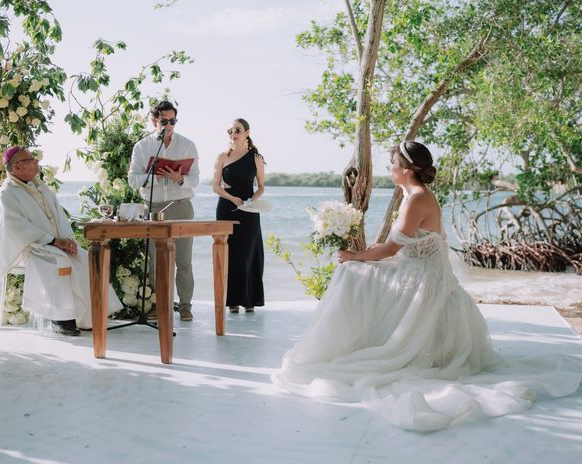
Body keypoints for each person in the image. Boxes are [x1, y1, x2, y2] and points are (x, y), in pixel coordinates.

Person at [272, 141, 582, 432]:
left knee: (350, 273)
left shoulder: (417, 198)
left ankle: (348, 343)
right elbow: (397, 246)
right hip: (417, 267)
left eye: (393, 163)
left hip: (422, 277)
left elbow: (389, 250)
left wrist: (354, 255)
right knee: (354, 271)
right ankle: (352, 340)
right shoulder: (413, 196)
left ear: (406, 170)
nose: (389, 168)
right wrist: (361, 256)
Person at [0, 147, 123, 336]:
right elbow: (15, 228)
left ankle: (89, 317)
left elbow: (59, 216)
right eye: (31, 159)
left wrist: (68, 240)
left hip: (51, 243)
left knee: (86, 259)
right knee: (60, 263)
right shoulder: (6, 194)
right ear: (17, 167)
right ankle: (61, 319)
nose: (36, 162)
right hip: (27, 247)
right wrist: (53, 241)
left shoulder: (38, 186)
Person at [127, 100, 199, 321]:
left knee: (184, 262)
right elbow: (132, 180)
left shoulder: (187, 145)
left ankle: (185, 306)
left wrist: (180, 179)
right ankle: (160, 305)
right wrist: (156, 177)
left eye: (173, 121)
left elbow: (195, 179)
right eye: (165, 121)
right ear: (154, 121)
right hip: (153, 208)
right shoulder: (142, 146)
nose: (169, 125)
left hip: (181, 207)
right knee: (155, 262)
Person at [213, 118, 265, 313]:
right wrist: (232, 198)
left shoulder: (256, 158)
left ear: (247, 133)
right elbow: (216, 187)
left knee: (249, 252)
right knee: (229, 253)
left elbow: (261, 187)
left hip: (249, 210)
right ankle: (232, 300)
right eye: (230, 130)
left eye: (237, 130)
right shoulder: (222, 157)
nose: (232, 133)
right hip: (226, 208)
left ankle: (250, 299)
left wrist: (252, 200)